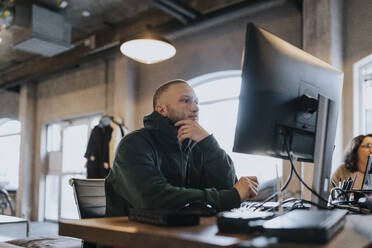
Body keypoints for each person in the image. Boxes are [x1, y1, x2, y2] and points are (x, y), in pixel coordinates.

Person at [105, 79, 258, 216]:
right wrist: (232, 196)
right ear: (161, 109)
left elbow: (227, 186)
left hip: (180, 232)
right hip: (129, 238)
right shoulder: (134, 144)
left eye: (196, 102)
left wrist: (209, 143)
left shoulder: (197, 145)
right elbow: (153, 199)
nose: (195, 108)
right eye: (186, 101)